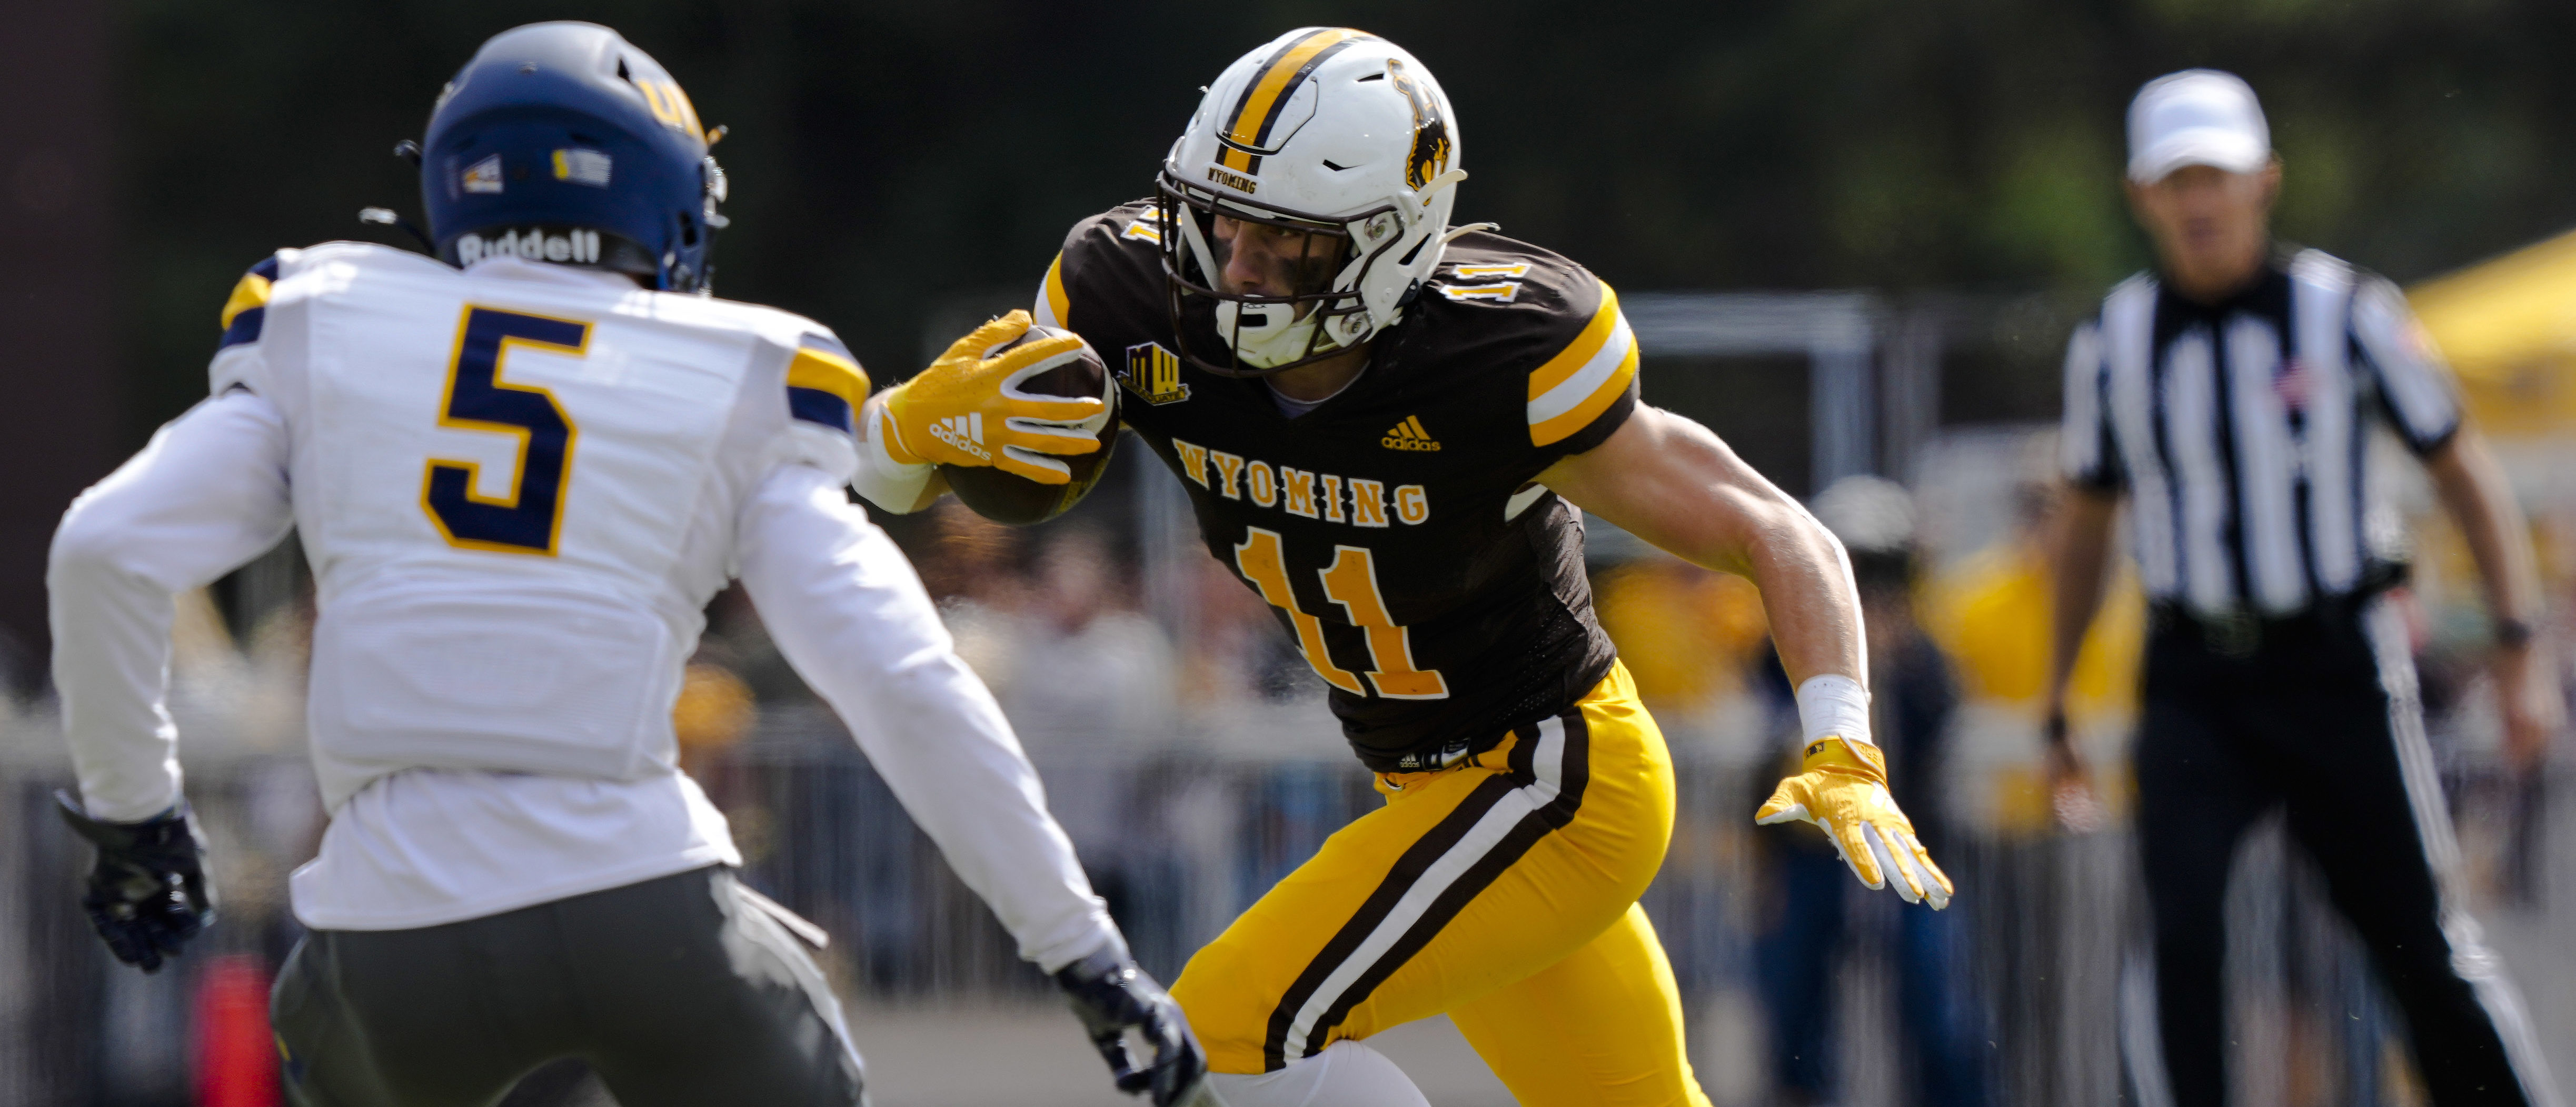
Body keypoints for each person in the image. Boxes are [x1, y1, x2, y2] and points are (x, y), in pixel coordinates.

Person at [46, 23, 1203, 1107]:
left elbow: (106, 547)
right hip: (640, 905)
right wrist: (1083, 950)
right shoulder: (741, 369)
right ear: (658, 189)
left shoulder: (324, 315)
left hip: (380, 932)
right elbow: (904, 677)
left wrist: (135, 824)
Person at [850, 27, 1950, 1106]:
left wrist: (1841, 734)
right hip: (1437, 787)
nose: (1239, 268)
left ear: (1390, 238)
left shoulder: (1493, 355)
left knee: (1221, 1034)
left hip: (1554, 777)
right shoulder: (1130, 298)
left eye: (1287, 244)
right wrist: (905, 429)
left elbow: (1773, 525)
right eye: (1224, 224)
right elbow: (876, 480)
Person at [2045, 69, 2562, 1107]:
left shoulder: (2348, 313)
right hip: (2194, 667)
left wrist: (2517, 646)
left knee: (2416, 937)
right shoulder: (2112, 341)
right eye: (2174, 181)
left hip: (2334, 661)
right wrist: (2057, 698)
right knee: (2180, 932)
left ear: (2262, 183)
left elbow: (2462, 470)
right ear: (2140, 196)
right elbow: (2086, 520)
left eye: (2215, 179)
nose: (2196, 203)